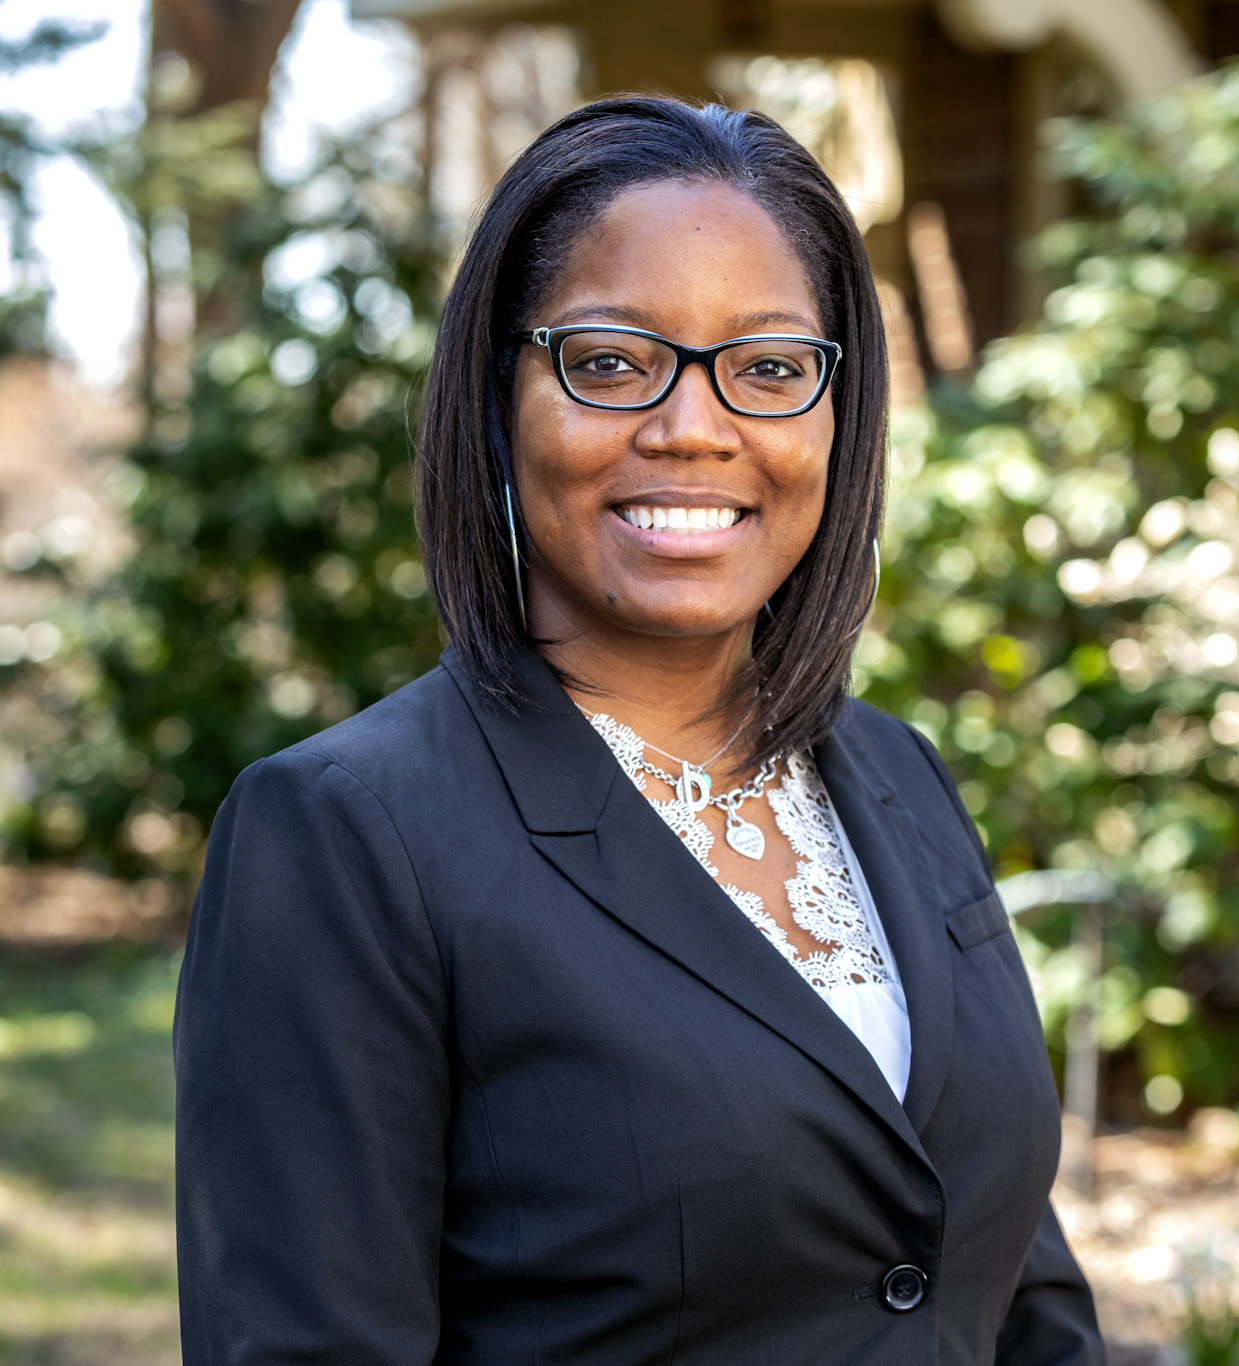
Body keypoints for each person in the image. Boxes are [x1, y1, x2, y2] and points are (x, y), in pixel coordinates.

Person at [174, 96, 1105, 1366]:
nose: (693, 425)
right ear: (497, 398)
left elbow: (1011, 1277)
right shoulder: (345, 835)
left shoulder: (897, 775)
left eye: (770, 367)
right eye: (610, 361)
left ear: (841, 413)